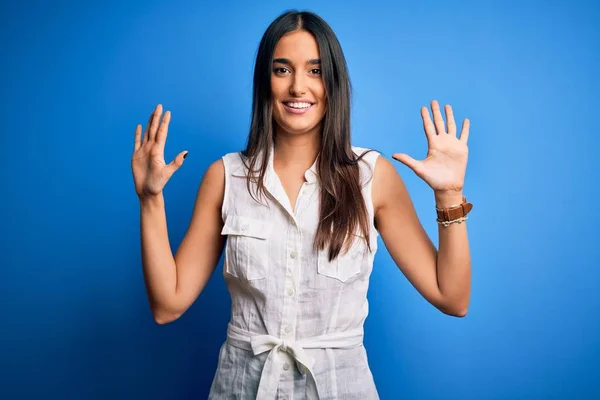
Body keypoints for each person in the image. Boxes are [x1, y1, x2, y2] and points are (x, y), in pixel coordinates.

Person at [131, 9, 472, 400]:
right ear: (265, 82)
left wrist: (448, 196)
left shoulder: (372, 178)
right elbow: (167, 304)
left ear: (334, 83)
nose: (298, 87)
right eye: (282, 70)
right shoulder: (225, 177)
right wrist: (150, 199)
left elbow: (453, 297)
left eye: (314, 70)